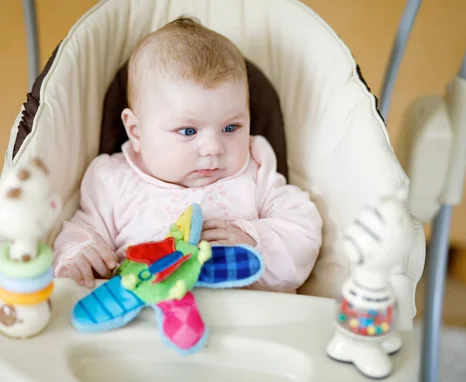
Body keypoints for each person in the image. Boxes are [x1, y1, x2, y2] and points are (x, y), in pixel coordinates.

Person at [52, 16, 323, 293]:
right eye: (188, 131)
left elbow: (304, 232)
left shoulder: (256, 168)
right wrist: (79, 255)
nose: (213, 148)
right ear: (136, 131)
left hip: (246, 326)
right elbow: (79, 233)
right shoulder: (112, 181)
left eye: (231, 127)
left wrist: (254, 240)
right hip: (145, 323)